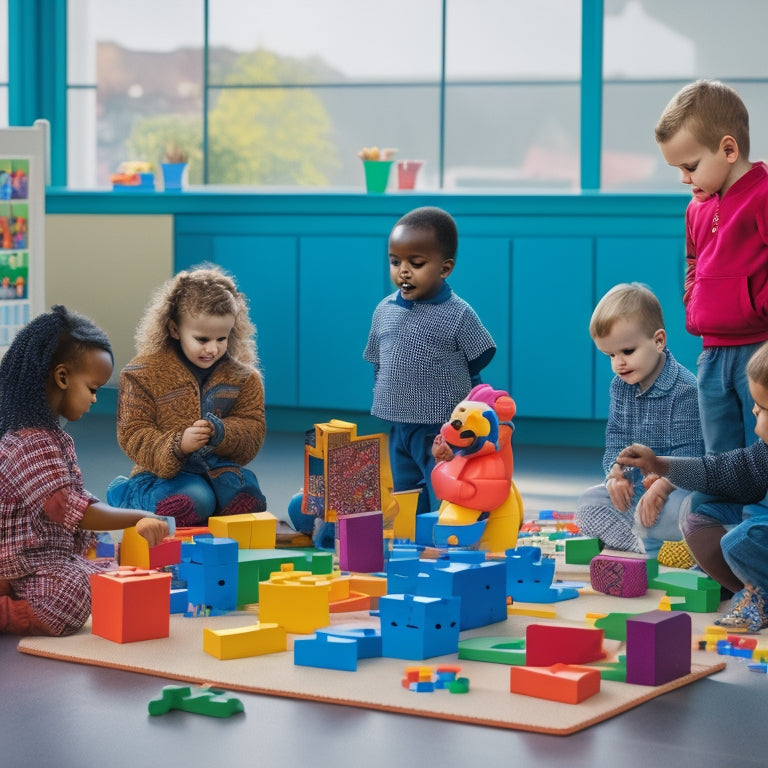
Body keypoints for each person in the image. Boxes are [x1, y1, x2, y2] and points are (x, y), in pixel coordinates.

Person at [0, 305, 170, 637]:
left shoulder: (49, 437)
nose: (95, 400)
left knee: (99, 576)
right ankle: (9, 611)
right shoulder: (30, 443)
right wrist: (137, 517)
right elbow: (76, 511)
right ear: (62, 377)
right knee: (73, 593)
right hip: (18, 566)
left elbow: (76, 498)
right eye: (92, 388)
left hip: (41, 557)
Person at [618, 341, 768, 631]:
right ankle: (749, 588)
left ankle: (761, 598)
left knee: (740, 540)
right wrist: (659, 465)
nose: (752, 411)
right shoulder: (764, 452)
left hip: (757, 533)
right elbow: (720, 469)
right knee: (699, 511)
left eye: (761, 408)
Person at [655, 79, 768, 455]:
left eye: (690, 166)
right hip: (712, 351)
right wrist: (694, 302)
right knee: (719, 446)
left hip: (759, 348)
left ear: (729, 149)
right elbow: (693, 262)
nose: (684, 178)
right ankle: (720, 505)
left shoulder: (763, 196)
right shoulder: (695, 209)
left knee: (760, 443)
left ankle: (758, 512)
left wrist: (757, 306)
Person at [106, 265, 267, 526]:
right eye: (202, 339)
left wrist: (223, 432)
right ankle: (128, 494)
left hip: (218, 470)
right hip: (162, 473)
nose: (212, 349)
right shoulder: (142, 373)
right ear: (173, 329)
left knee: (247, 497)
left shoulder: (244, 378)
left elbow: (253, 430)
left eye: (222, 338)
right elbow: (133, 433)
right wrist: (178, 444)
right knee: (195, 500)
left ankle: (211, 504)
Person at [363, 206, 496, 515]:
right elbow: (378, 362)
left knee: (445, 484)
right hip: (399, 423)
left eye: (416, 263)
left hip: (440, 426)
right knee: (406, 489)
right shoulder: (384, 310)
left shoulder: (458, 313)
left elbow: (479, 358)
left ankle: (451, 534)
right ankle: (413, 541)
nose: (403, 271)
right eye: (395, 262)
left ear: (445, 268)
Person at [575, 283, 704, 556]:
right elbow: (616, 441)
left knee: (693, 509)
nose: (618, 363)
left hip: (674, 493)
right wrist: (615, 475)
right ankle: (647, 542)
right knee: (587, 504)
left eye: (627, 352)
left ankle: (651, 539)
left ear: (658, 341)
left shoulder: (685, 390)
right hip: (635, 493)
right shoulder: (619, 386)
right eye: (610, 355)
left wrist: (661, 489)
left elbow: (692, 455)